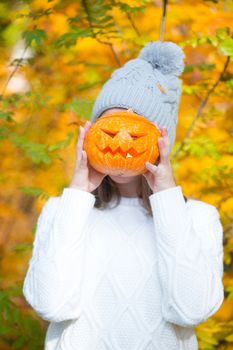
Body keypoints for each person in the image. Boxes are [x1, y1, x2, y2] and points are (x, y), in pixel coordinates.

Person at [22, 41, 224, 350]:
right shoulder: (63, 210)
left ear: (162, 139)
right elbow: (51, 305)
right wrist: (78, 194)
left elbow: (191, 311)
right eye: (110, 126)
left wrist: (167, 196)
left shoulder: (198, 216)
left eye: (136, 128)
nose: (123, 139)